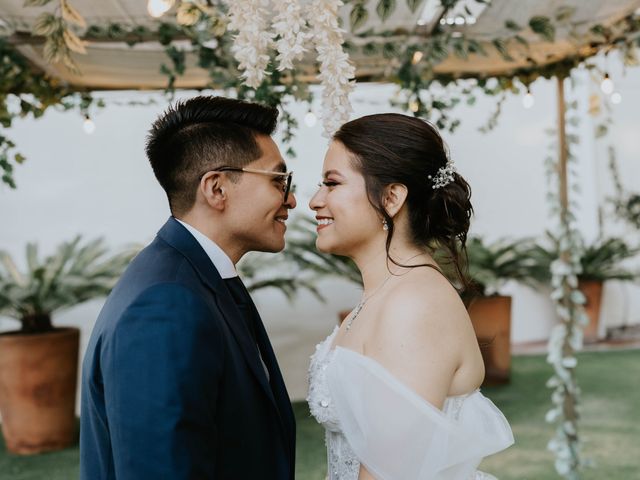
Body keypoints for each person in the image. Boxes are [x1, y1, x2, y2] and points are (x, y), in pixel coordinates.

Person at [80, 96, 297, 479]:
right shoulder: (165, 304)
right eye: (279, 180)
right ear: (216, 189)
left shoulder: (194, 280)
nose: (291, 199)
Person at [307, 113, 514, 479]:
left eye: (332, 183)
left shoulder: (415, 305)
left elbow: (391, 472)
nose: (314, 201)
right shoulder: (385, 294)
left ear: (391, 197)